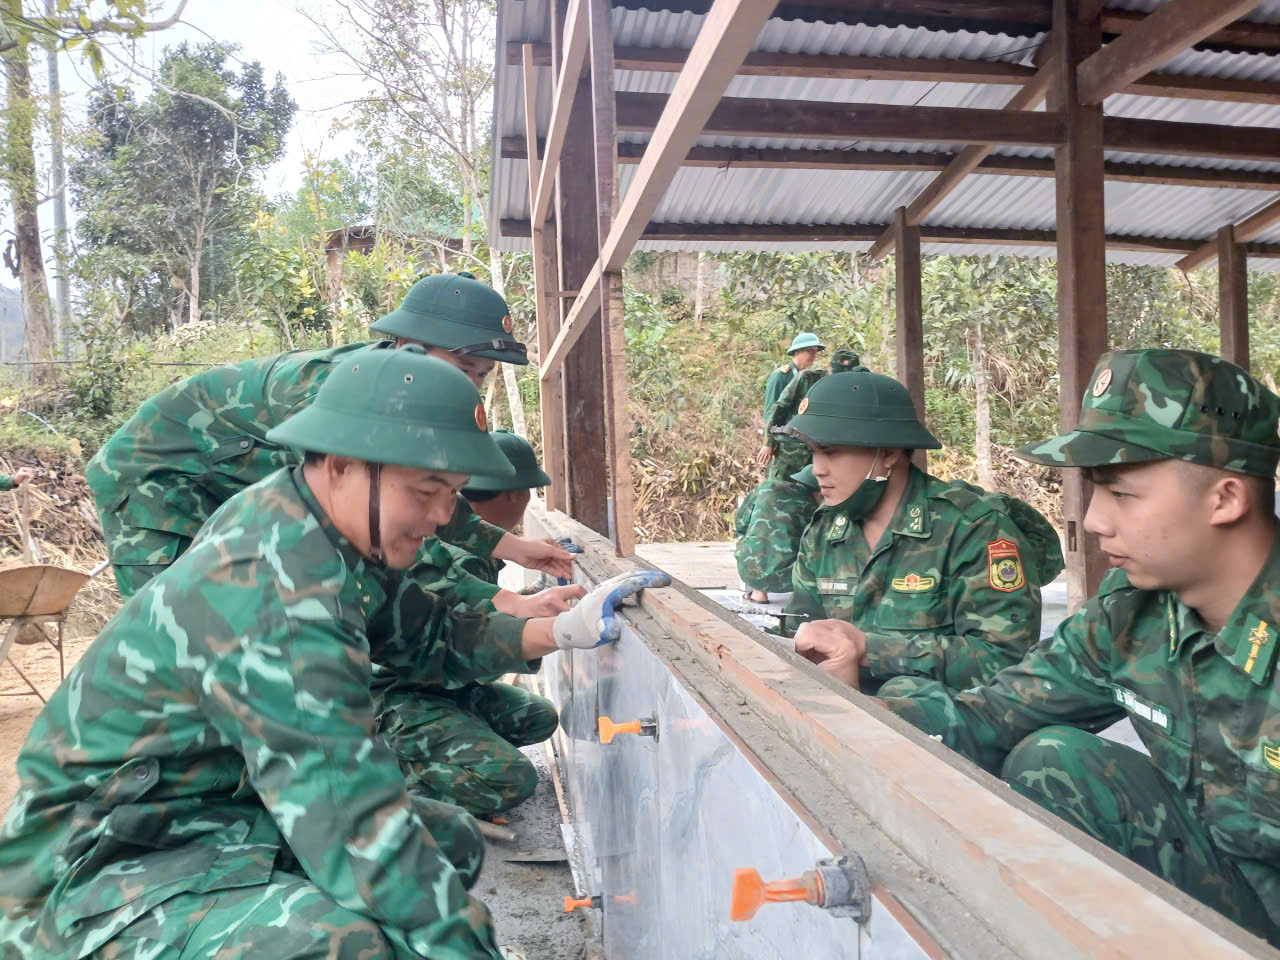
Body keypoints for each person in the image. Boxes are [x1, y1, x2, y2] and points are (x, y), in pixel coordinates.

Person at [0, 347, 668, 959]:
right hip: (97, 868)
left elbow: (427, 635)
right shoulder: (274, 591)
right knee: (345, 943)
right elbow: (351, 821)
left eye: (451, 493)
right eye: (425, 492)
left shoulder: (319, 526)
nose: (442, 518)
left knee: (448, 844)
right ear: (343, 464)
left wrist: (556, 630)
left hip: (211, 809)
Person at [879, 348, 1280, 946]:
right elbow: (990, 717)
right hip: (1233, 891)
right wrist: (862, 703)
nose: (1093, 521)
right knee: (1053, 762)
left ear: (1224, 499)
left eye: (1121, 493)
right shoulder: (1134, 611)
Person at [85, 271, 572, 598]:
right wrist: (497, 604)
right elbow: (370, 514)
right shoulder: (339, 393)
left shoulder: (403, 392)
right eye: (464, 367)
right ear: (410, 347)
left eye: (482, 375)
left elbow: (425, 498)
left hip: (231, 485)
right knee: (181, 626)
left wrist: (511, 548)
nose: (471, 386)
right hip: (159, 482)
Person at [779, 369, 1063, 694]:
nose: (817, 469)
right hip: (843, 718)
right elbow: (801, 626)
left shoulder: (973, 528)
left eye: (830, 452)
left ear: (887, 453)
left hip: (948, 730)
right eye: (813, 453)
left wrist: (870, 651)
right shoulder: (825, 530)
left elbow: (1006, 660)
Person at [385, 429, 563, 815]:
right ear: (518, 495)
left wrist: (523, 606)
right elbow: (458, 644)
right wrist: (550, 632)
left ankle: (444, 741)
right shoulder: (447, 555)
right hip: (400, 694)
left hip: (442, 683)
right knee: (511, 780)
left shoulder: (451, 542)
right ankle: (386, 767)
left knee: (537, 718)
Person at [757, 347, 861, 475]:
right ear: (829, 368)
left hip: (821, 457)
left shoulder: (852, 391)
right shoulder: (806, 378)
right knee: (779, 489)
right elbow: (779, 408)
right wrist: (769, 443)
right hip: (791, 452)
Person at [735, 464, 823, 603]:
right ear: (819, 493)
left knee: (753, 538)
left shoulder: (766, 487)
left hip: (748, 571)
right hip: (789, 581)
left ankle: (759, 594)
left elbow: (740, 524)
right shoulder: (815, 508)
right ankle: (798, 598)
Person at [762, 331, 824, 419]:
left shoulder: (810, 377)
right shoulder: (780, 376)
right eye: (809, 351)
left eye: (815, 351)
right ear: (797, 352)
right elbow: (770, 412)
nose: (813, 355)